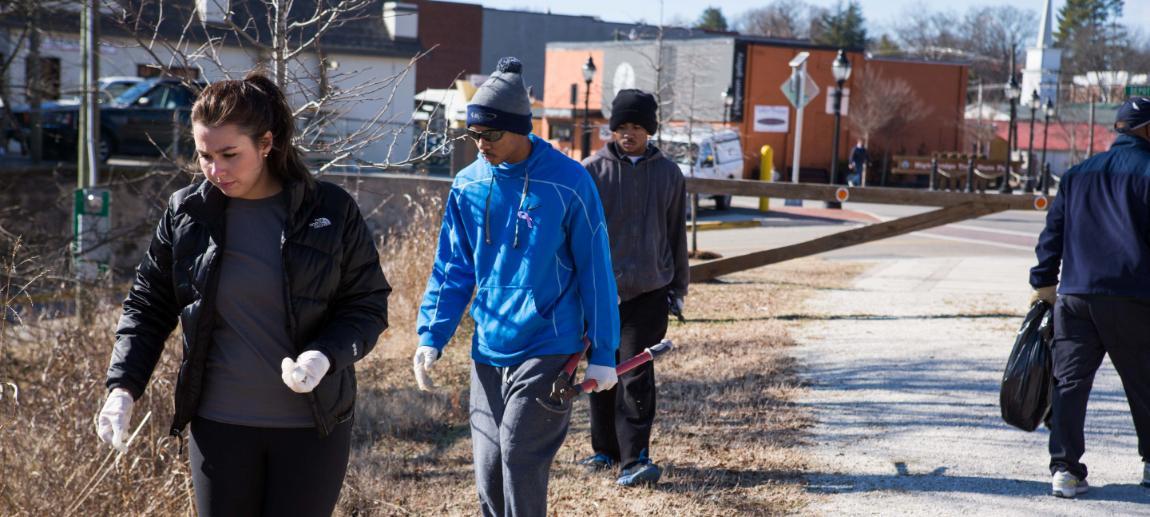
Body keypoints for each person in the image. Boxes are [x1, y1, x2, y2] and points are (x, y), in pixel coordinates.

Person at [96, 72, 391, 516]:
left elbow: (367, 305)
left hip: (311, 428)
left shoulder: (330, 209)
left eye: (229, 154)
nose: (216, 170)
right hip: (219, 428)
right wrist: (122, 388)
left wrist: (325, 355)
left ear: (267, 143)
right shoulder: (186, 214)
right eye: (204, 156)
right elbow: (147, 308)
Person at [411, 57, 620, 516]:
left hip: (550, 342)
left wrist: (604, 353)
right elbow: (452, 268)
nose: (480, 144)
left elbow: (596, 271)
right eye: (473, 135)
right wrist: (432, 334)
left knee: (519, 456)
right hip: (488, 344)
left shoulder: (569, 182)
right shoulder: (467, 185)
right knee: (487, 467)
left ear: (521, 129)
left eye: (490, 135)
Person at [1030, 96, 1150, 499]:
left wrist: (1043, 282)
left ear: (1118, 130)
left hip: (1075, 294)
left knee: (1070, 383)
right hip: (1132, 295)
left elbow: (1052, 234)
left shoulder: (1077, 175)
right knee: (1143, 382)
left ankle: (1065, 469)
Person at [579, 88, 688, 487]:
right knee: (601, 371)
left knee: (635, 372)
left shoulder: (669, 175)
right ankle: (604, 451)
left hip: (649, 291)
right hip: (599, 293)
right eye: (621, 126)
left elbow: (676, 234)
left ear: (650, 130)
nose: (628, 133)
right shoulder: (591, 171)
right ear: (612, 129)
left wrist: (678, 287)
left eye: (637, 126)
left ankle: (634, 459)